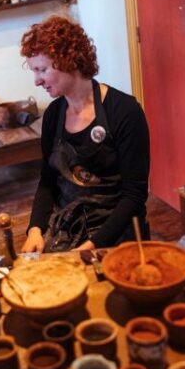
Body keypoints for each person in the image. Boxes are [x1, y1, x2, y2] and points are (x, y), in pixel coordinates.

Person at [19, 16, 151, 253]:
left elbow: (134, 195)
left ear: (68, 60)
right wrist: (35, 229)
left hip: (117, 229)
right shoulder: (53, 115)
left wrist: (90, 247)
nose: (37, 81)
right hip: (69, 225)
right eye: (34, 71)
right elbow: (48, 181)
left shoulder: (124, 111)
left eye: (42, 70)